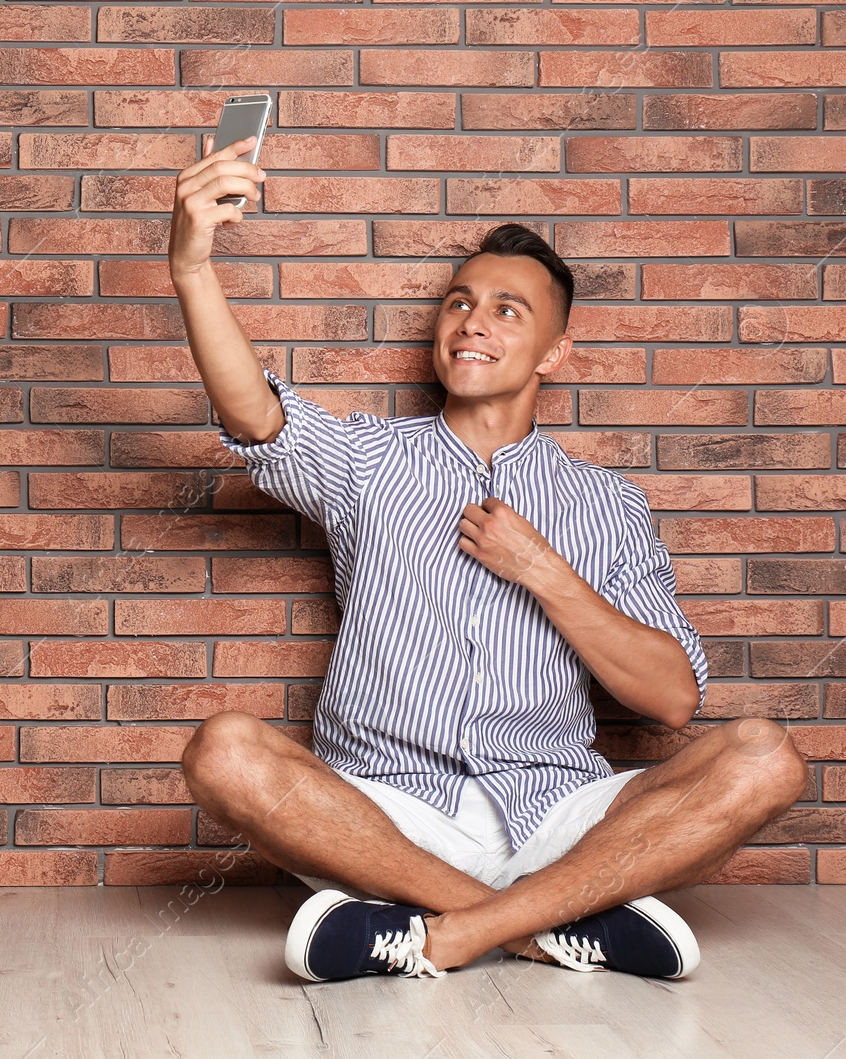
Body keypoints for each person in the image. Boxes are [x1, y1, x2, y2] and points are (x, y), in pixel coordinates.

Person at [166, 135, 808, 983]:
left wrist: (544, 570)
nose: (472, 320)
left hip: (559, 815)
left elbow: (672, 699)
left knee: (764, 757)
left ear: (553, 353)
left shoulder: (606, 503)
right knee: (223, 752)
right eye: (460, 302)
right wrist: (191, 268)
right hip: (385, 814)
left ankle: (431, 927)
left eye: (508, 310)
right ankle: (546, 924)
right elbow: (254, 415)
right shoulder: (369, 461)